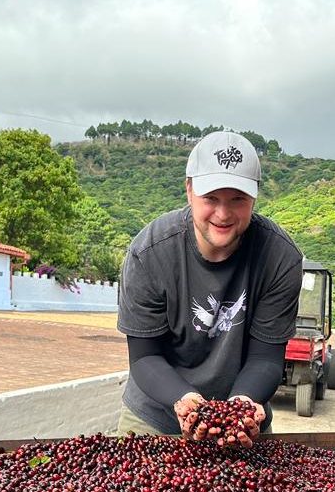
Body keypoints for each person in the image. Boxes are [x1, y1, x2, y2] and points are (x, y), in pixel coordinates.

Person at [116, 130, 304, 447]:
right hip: (154, 419)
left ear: (254, 197)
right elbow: (145, 358)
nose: (223, 213)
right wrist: (185, 400)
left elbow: (266, 359)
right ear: (189, 190)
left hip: (243, 424)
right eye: (211, 198)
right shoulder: (149, 254)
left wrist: (240, 406)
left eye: (237, 200)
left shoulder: (279, 258)